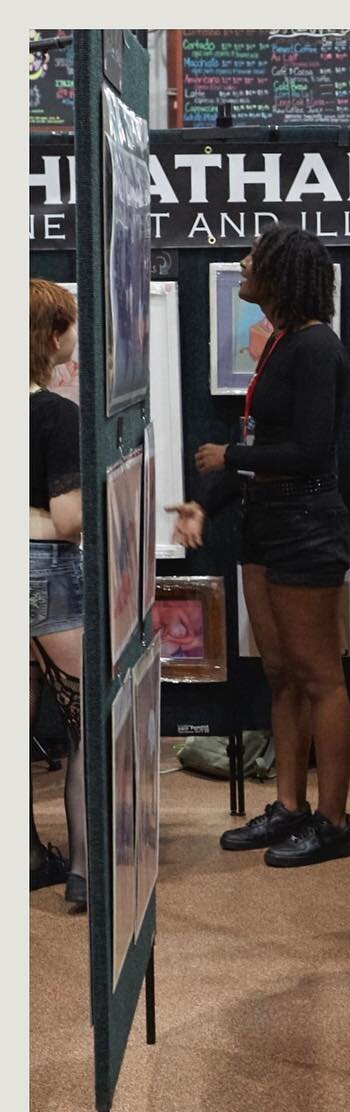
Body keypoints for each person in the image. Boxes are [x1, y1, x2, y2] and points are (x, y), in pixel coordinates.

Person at [169, 224, 350, 867]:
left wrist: (231, 455)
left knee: (319, 676)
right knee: (279, 673)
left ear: (281, 274)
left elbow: (309, 450)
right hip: (265, 527)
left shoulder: (318, 348)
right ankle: (290, 807)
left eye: (254, 257)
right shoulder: (280, 344)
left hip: (306, 526)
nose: (243, 263)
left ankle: (333, 821)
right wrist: (206, 501)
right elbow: (258, 455)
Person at [28, 278, 87, 908]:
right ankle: (88, 872)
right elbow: (68, 519)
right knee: (86, 725)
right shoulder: (55, 413)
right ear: (51, 337)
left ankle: (25, 857)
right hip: (43, 571)